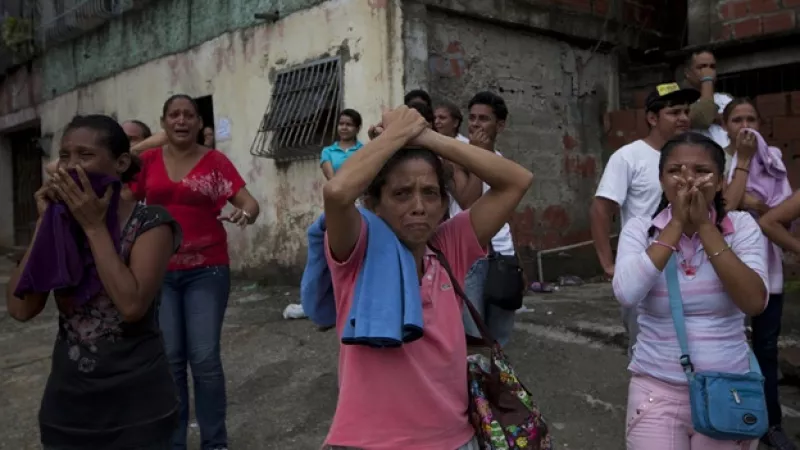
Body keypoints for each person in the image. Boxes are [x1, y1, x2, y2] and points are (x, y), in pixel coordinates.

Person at [320, 105, 533, 449]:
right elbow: (336, 192)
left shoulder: (449, 245)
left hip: (455, 440)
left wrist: (426, 137)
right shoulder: (358, 249)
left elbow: (517, 181)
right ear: (374, 204)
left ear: (443, 202)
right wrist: (395, 135)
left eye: (430, 193)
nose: (419, 206)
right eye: (401, 194)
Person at [6, 114, 182, 450]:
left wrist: (94, 228)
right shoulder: (60, 223)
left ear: (120, 163)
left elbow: (131, 306)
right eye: (66, 156)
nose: (71, 167)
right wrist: (44, 225)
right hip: (69, 407)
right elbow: (19, 308)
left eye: (85, 156)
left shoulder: (151, 223)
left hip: (137, 407)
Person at [614, 131, 767, 450]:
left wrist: (705, 228)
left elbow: (754, 301)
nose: (688, 180)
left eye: (701, 171)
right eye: (675, 171)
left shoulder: (741, 228)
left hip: (727, 389)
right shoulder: (640, 229)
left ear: (721, 181)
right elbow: (627, 293)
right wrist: (675, 225)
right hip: (656, 391)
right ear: (661, 180)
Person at [132, 94, 260, 450]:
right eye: (174, 115)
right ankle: (174, 443)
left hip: (207, 269)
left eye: (189, 115)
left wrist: (245, 214)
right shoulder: (147, 162)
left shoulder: (215, 162)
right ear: (163, 122)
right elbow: (119, 190)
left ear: (199, 124)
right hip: (160, 271)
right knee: (170, 360)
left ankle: (214, 442)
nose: (182, 120)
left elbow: (249, 202)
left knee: (203, 359)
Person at [591, 82, 699, 358]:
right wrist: (608, 263)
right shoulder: (629, 157)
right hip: (644, 269)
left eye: (686, 111)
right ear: (652, 118)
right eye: (674, 112)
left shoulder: (696, 155)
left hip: (691, 266)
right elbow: (602, 209)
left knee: (695, 347)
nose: (684, 118)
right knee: (646, 352)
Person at [723, 98, 796, 450]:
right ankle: (731, 416)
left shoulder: (774, 159)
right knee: (730, 346)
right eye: (737, 119)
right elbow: (727, 206)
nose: (745, 125)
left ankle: (771, 422)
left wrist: (758, 204)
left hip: (767, 265)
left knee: (766, 347)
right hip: (727, 267)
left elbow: (781, 214)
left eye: (751, 118)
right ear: (726, 126)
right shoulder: (717, 159)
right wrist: (743, 161)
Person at [448, 91, 519, 346]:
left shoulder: (502, 163)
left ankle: (497, 384)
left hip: (502, 253)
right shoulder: (456, 157)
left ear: (500, 125)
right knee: (473, 336)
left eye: (484, 119)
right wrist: (476, 155)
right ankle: (473, 385)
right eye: (473, 118)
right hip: (468, 257)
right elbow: (469, 203)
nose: (476, 124)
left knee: (500, 336)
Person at [684, 49, 733, 152]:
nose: (708, 71)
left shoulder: (726, 98)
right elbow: (705, 117)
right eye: (702, 67)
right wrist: (707, 80)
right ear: (688, 73)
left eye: (712, 67)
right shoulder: (681, 101)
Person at [320, 109, 364, 180]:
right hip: (337, 190)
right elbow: (331, 179)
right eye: (341, 124)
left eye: (349, 124)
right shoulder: (328, 151)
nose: (344, 127)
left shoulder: (364, 150)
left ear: (357, 129)